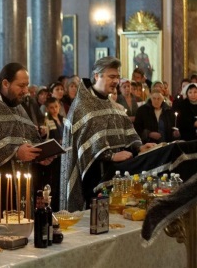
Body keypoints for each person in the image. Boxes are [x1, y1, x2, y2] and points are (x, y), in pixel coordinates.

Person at [0, 62, 53, 232]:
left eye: (27, 85)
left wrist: (39, 155)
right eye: (21, 85)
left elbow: (27, 138)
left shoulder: (18, 107)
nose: (26, 90)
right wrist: (15, 153)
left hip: (22, 183)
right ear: (5, 83)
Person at [60, 56, 155, 211]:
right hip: (93, 177)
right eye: (112, 77)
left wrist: (139, 147)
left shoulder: (113, 105)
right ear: (97, 76)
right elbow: (86, 143)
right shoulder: (83, 106)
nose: (116, 81)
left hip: (116, 176)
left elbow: (126, 129)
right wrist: (110, 155)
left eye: (117, 77)